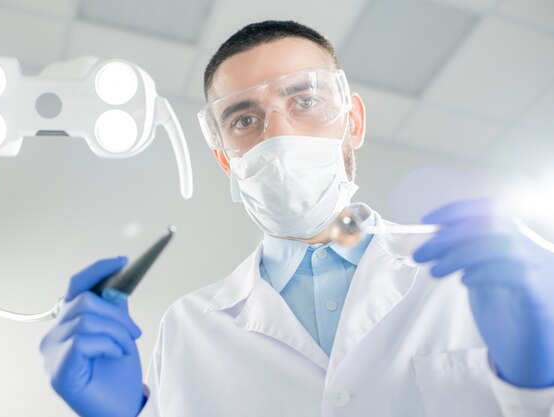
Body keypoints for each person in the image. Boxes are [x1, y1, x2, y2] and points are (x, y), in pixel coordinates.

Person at [40, 20, 554, 417]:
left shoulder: (486, 271)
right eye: (244, 118)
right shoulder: (189, 327)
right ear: (224, 157)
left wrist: (539, 386)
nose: (277, 134)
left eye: (304, 100)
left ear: (352, 121)